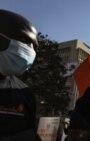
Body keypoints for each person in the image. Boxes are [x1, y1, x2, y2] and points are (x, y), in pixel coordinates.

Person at [0, 9, 41, 141]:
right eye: (24, 40)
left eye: (34, 46)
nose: (30, 50)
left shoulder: (24, 92)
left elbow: (30, 131)